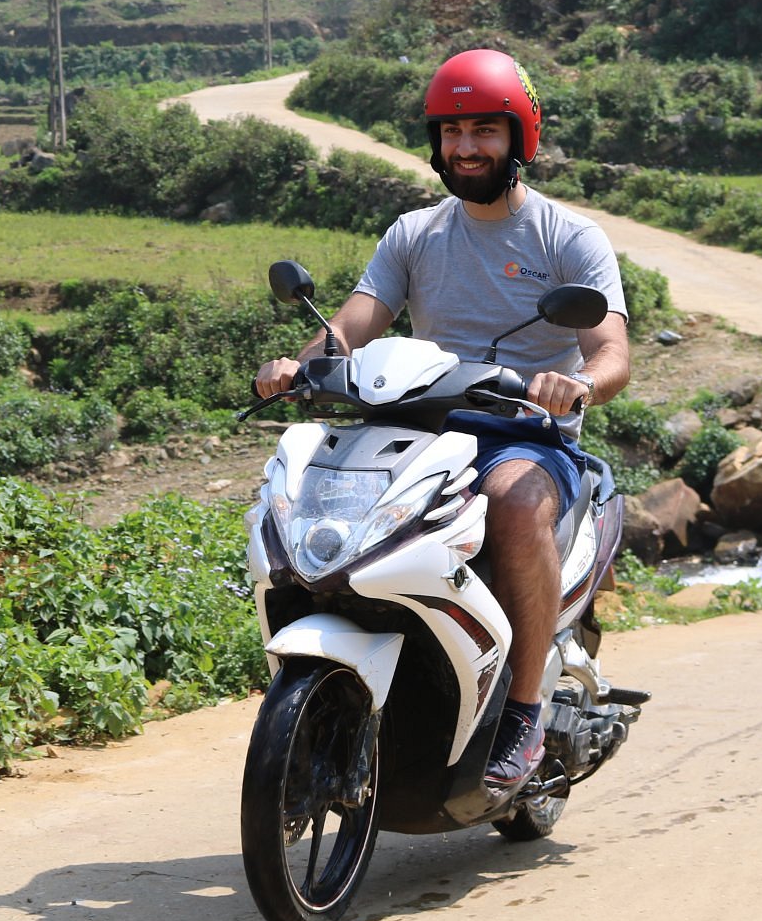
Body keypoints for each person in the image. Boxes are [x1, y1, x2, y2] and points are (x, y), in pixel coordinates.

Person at [254, 48, 631, 795]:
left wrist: (576, 382)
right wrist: (301, 367)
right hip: (422, 425)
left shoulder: (568, 237)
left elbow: (612, 348)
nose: (465, 147)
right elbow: (353, 325)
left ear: (520, 137)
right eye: (453, 131)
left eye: (485, 130)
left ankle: (522, 716)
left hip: (524, 434)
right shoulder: (415, 234)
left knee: (517, 503)